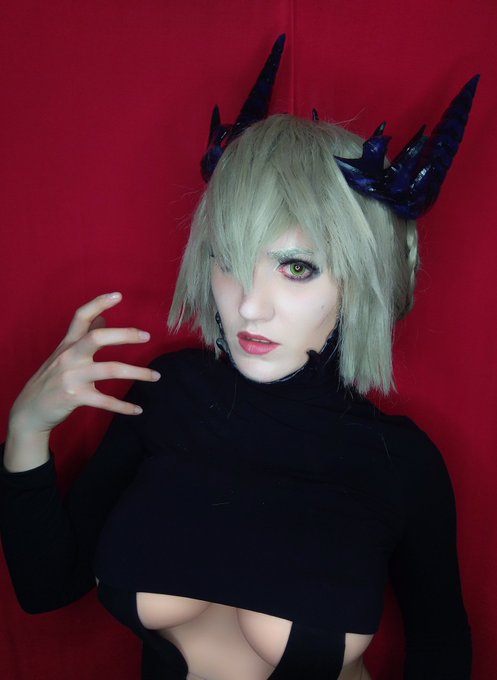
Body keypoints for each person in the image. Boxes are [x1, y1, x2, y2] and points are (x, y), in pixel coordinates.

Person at [0, 39, 476, 680]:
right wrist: (28, 429)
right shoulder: (166, 396)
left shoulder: (399, 462)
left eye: (297, 267)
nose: (249, 306)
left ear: (363, 280)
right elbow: (46, 588)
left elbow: (440, 651)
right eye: (229, 259)